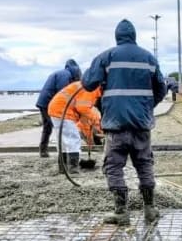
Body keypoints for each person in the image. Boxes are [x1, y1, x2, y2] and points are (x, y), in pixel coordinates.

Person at [82, 19, 167, 225]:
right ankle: (150, 209)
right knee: (144, 164)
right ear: (134, 36)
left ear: (117, 36)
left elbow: (87, 83)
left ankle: (121, 212)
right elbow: (161, 89)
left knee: (113, 166)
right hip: (141, 125)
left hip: (116, 125)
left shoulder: (107, 56)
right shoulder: (149, 58)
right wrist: (146, 108)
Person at [47, 80, 102, 174]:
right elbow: (82, 108)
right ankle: (73, 169)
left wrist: (89, 141)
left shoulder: (87, 84)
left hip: (56, 109)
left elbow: (85, 125)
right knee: (73, 139)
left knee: (64, 141)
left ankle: (63, 168)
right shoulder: (91, 89)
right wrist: (92, 118)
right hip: (63, 111)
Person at [35, 59, 81, 158]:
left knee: (48, 127)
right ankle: (63, 155)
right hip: (49, 103)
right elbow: (63, 93)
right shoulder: (65, 76)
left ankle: (43, 151)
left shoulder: (62, 73)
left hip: (43, 102)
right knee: (59, 128)